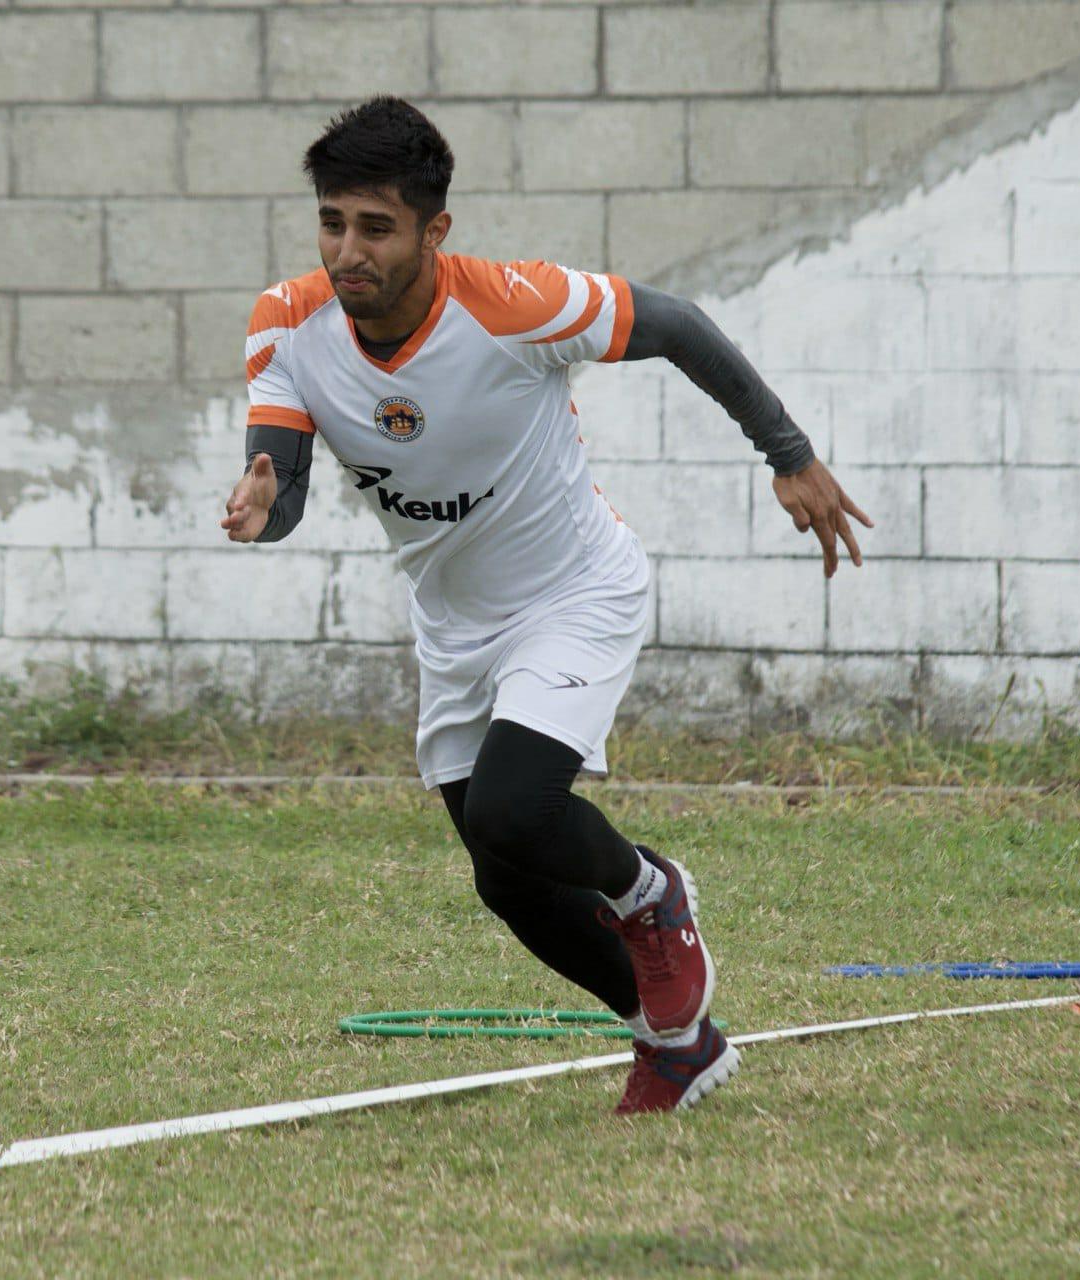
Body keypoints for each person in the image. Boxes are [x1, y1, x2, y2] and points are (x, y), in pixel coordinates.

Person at [221, 97, 872, 1114]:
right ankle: (677, 1040)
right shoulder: (286, 324)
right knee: (503, 873)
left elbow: (675, 325)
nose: (347, 250)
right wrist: (263, 500)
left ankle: (651, 892)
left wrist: (786, 454)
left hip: (574, 593)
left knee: (517, 809)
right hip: (453, 624)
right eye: (332, 222)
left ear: (434, 231)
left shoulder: (513, 303)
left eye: (375, 227)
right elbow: (286, 481)